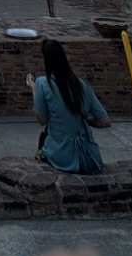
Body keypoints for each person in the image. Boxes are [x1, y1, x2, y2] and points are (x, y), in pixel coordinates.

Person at [27, 39, 111, 174]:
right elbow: (105, 121)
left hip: (61, 156)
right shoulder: (81, 85)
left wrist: (33, 88)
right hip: (89, 157)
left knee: (42, 142)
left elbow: (42, 119)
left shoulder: (42, 83)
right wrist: (87, 120)